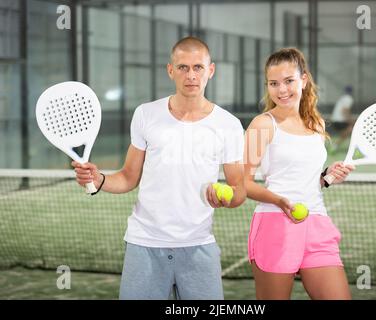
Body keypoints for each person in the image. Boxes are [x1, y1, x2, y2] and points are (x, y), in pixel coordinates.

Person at [72, 36, 246, 300]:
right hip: (144, 244)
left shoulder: (229, 125)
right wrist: (99, 179)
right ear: (170, 70)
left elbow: (239, 190)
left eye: (198, 67)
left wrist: (227, 198)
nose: (191, 75)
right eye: (183, 67)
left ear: (210, 71)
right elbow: (129, 178)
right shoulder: (145, 114)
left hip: (199, 245)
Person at [244, 48, 355, 300]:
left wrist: (327, 177)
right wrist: (279, 201)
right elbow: (242, 182)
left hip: (317, 224)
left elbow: (304, 176)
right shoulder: (263, 124)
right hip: (275, 224)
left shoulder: (316, 124)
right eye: (274, 83)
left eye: (288, 81)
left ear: (303, 80)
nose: (281, 90)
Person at [330, 85, 354, 152]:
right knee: (352, 129)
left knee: (347, 132)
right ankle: (335, 145)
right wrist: (351, 121)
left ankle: (335, 145)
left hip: (335, 120)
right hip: (340, 121)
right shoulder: (349, 98)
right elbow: (345, 110)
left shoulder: (342, 98)